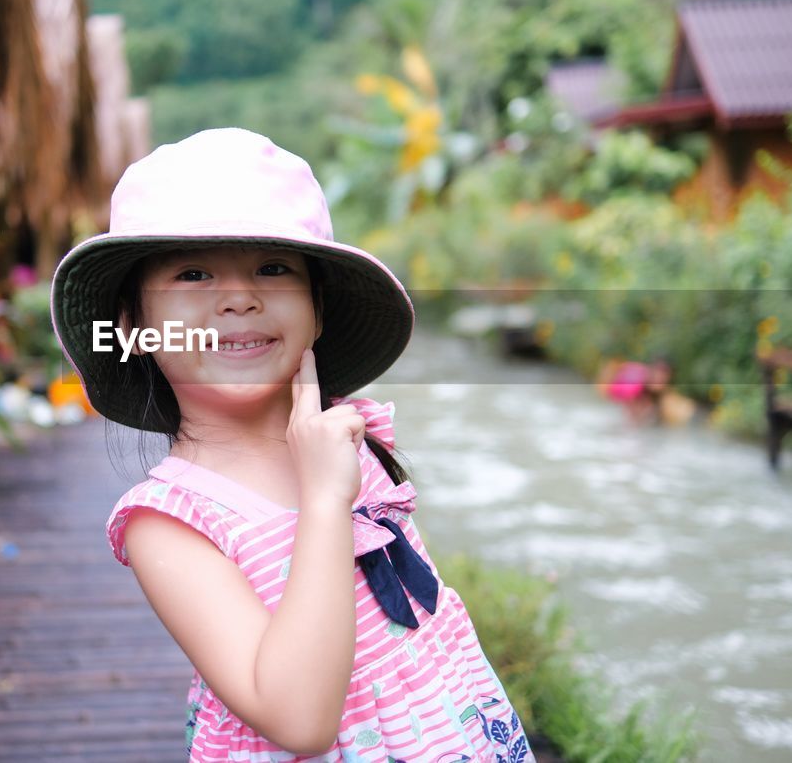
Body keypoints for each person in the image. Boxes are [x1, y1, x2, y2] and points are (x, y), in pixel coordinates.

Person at [50, 128, 530, 761]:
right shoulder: (169, 521)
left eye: (272, 270)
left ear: (318, 310)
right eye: (192, 275)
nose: (240, 299)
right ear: (134, 327)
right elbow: (299, 720)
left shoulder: (346, 434)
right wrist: (326, 501)